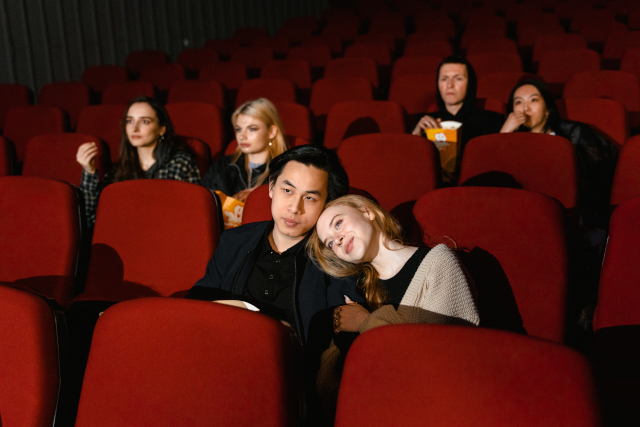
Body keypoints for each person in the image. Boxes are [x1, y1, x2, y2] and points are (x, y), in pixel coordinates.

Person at [307, 194, 480, 416]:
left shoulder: (438, 263)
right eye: (330, 243)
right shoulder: (357, 290)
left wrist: (365, 322)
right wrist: (342, 397)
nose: (337, 240)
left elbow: (443, 361)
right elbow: (329, 371)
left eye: (338, 223)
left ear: (366, 212)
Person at [500, 78, 618, 230]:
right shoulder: (511, 142)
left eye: (533, 100)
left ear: (547, 109)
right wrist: (504, 134)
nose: (525, 108)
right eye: (518, 102)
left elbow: (599, 178)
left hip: (570, 213)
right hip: (522, 211)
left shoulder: (575, 134)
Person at [76, 96, 200, 227]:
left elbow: (191, 215)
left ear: (161, 129)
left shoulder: (180, 163)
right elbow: (91, 218)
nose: (134, 128)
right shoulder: (121, 168)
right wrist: (89, 172)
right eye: (129, 121)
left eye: (145, 122)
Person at [200, 98, 288, 202]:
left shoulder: (286, 170)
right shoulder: (222, 165)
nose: (242, 136)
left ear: (271, 132)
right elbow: (200, 204)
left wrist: (262, 194)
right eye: (239, 129)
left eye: (252, 129)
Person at [411, 56, 504, 148]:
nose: (449, 85)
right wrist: (416, 137)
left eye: (458, 78)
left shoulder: (491, 121)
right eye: (444, 79)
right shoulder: (424, 123)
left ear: (470, 84)